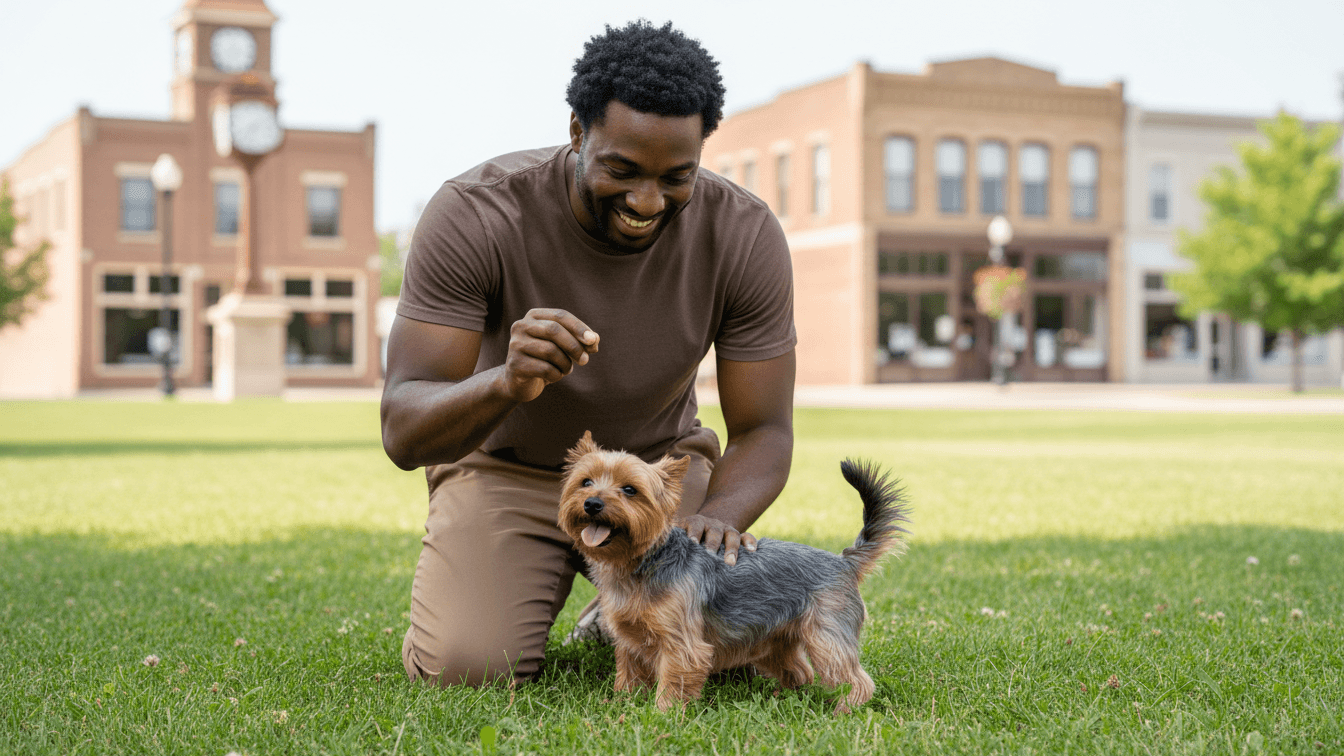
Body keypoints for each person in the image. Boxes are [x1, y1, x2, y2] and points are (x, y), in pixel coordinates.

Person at [381, 20, 797, 687]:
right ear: (577, 132)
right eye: (622, 171)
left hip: (657, 476)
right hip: (507, 469)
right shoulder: (477, 213)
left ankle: (615, 614)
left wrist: (714, 522)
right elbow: (404, 430)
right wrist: (505, 382)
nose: (646, 201)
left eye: (675, 178)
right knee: (468, 667)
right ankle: (609, 608)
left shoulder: (743, 233)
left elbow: (765, 429)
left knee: (715, 656)